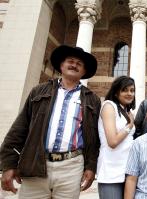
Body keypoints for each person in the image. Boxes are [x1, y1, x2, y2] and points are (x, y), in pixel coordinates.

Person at [0, 45, 101, 199]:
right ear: (61, 65)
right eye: (70, 61)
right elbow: (19, 129)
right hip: (36, 163)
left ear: (84, 71)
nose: (74, 65)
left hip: (72, 166)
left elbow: (93, 138)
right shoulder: (39, 91)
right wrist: (8, 164)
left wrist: (91, 166)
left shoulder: (92, 99)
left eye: (79, 64)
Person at [97, 76, 135, 199]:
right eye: (125, 90)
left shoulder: (126, 111)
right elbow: (112, 141)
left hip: (127, 171)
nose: (129, 93)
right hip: (111, 172)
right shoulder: (109, 106)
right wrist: (130, 125)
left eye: (132, 90)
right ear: (116, 91)